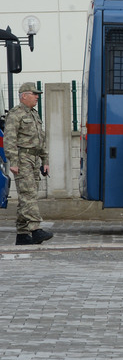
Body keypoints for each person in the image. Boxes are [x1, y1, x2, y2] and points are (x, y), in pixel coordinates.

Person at [7, 82, 53, 245]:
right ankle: (35, 229)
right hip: (23, 158)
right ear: (24, 96)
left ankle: (22, 234)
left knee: (27, 196)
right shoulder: (15, 114)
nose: (37, 97)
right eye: (34, 94)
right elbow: (9, 139)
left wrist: (45, 160)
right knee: (28, 195)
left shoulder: (34, 114)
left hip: (34, 159)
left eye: (37, 94)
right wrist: (13, 161)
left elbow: (41, 139)